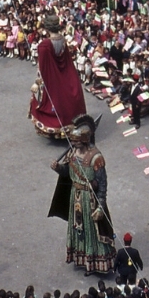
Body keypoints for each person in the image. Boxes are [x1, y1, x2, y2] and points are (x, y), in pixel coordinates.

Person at [49, 115, 115, 276]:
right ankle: (81, 258)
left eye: (76, 141)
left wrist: (100, 206)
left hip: (90, 200)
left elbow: (103, 185)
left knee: (92, 231)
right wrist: (58, 168)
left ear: (85, 140)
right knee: (79, 229)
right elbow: (67, 173)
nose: (73, 143)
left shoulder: (96, 158)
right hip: (75, 196)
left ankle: (95, 262)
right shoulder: (72, 153)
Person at [29, 14, 87, 137]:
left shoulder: (44, 45)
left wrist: (37, 82)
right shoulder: (63, 40)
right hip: (65, 75)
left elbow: (42, 67)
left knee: (49, 100)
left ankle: (55, 128)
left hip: (52, 78)